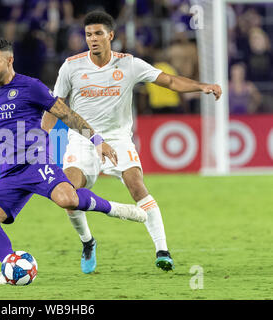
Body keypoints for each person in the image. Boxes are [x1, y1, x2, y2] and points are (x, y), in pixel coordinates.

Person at [0, 38, 147, 284]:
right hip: (10, 174)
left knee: (67, 199)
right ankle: (10, 267)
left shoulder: (31, 87)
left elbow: (67, 115)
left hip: (37, 163)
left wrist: (97, 140)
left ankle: (117, 210)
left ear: (9, 60)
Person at [42, 11, 222, 274]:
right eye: (88, 34)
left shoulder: (129, 64)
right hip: (81, 139)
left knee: (137, 185)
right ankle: (88, 242)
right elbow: (55, 106)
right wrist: (43, 135)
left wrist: (202, 86)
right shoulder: (71, 66)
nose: (92, 39)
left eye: (98, 34)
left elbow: (169, 81)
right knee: (69, 194)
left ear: (110, 36)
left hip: (117, 137)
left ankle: (162, 250)